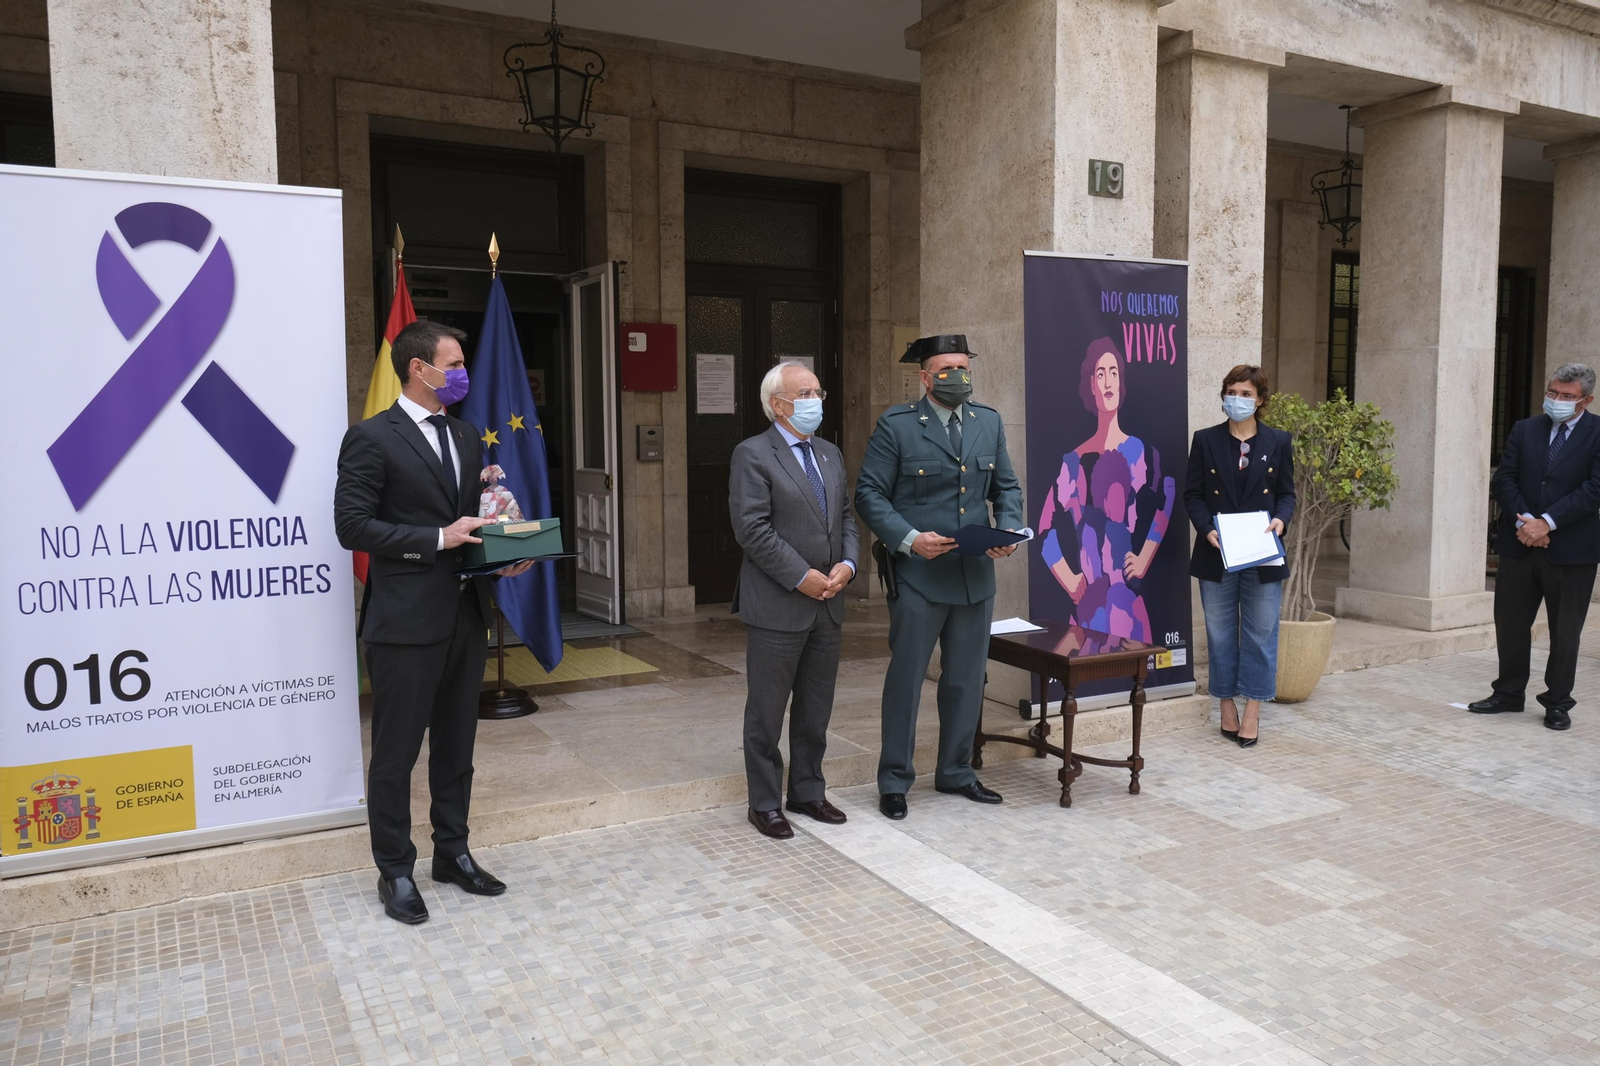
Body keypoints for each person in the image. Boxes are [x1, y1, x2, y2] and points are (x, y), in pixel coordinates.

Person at [335, 320, 535, 924]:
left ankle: (453, 853)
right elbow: (352, 526)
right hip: (403, 623)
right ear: (419, 369)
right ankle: (395, 870)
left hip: (465, 616)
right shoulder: (371, 437)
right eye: (453, 363)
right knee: (396, 755)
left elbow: (468, 522)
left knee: (457, 747)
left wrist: (503, 555)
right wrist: (435, 538)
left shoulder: (467, 435)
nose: (461, 372)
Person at [855, 334, 1025, 820]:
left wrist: (1007, 531)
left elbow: (1007, 487)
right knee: (907, 680)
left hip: (974, 575)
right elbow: (869, 495)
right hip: (920, 575)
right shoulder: (898, 425)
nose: (960, 376)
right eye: (949, 368)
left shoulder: (988, 422)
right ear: (926, 377)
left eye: (965, 367)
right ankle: (894, 780)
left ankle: (956, 772)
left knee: (967, 682)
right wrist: (908, 538)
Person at [729, 362, 859, 839]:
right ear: (778, 404)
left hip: (829, 600)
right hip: (779, 603)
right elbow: (753, 529)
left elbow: (845, 516)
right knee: (766, 711)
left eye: (817, 391)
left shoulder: (829, 453)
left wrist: (848, 564)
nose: (816, 400)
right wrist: (801, 576)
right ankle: (764, 802)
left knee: (815, 708)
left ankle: (807, 791)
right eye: (805, 393)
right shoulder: (753, 454)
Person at [1469, 363, 1600, 731]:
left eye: (1566, 396)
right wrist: (1527, 522)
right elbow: (1505, 479)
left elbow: (1594, 489)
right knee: (1510, 624)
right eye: (1553, 392)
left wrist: (1548, 522)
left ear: (1586, 399)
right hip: (1520, 543)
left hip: (1572, 551)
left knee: (1565, 630)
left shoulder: (1598, 433)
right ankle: (1509, 693)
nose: (1556, 400)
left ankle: (1557, 702)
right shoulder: (1525, 429)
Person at [1182, 364, 1296, 749]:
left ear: (1260, 400)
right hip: (1217, 551)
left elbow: (1287, 493)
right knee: (1220, 633)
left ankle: (1253, 710)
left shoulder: (1279, 441)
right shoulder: (1205, 440)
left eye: (1246, 394)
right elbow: (1193, 494)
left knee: (1261, 633)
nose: (1238, 399)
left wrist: (1281, 520)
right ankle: (1226, 704)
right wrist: (1206, 528)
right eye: (1232, 391)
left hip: (1263, 552)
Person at [1037, 337, 1175, 641]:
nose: (1108, 381)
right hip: (1087, 610)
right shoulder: (1072, 461)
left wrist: (1145, 556)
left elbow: (1168, 495)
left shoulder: (1142, 453)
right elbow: (1045, 526)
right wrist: (1068, 578)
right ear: (1091, 384)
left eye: (1113, 372)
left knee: (1134, 676)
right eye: (1100, 374)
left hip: (1131, 606)